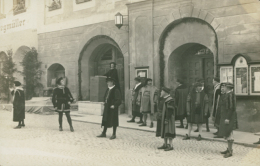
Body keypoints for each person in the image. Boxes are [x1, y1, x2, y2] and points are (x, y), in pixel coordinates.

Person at [218, 82, 238, 158]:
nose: (223, 88)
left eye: (225, 87)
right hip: (225, 116)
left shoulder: (230, 95)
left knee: (229, 133)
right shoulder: (226, 94)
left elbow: (231, 108)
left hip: (229, 117)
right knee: (227, 133)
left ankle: (230, 151)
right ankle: (228, 149)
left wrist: (228, 118)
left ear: (228, 88)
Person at [157, 87, 176, 151]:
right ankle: (165, 144)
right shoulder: (163, 99)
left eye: (162, 91)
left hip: (168, 118)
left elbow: (170, 111)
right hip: (162, 117)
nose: (161, 93)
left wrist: (167, 119)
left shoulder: (170, 100)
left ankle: (170, 145)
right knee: (164, 131)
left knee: (169, 131)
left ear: (165, 92)